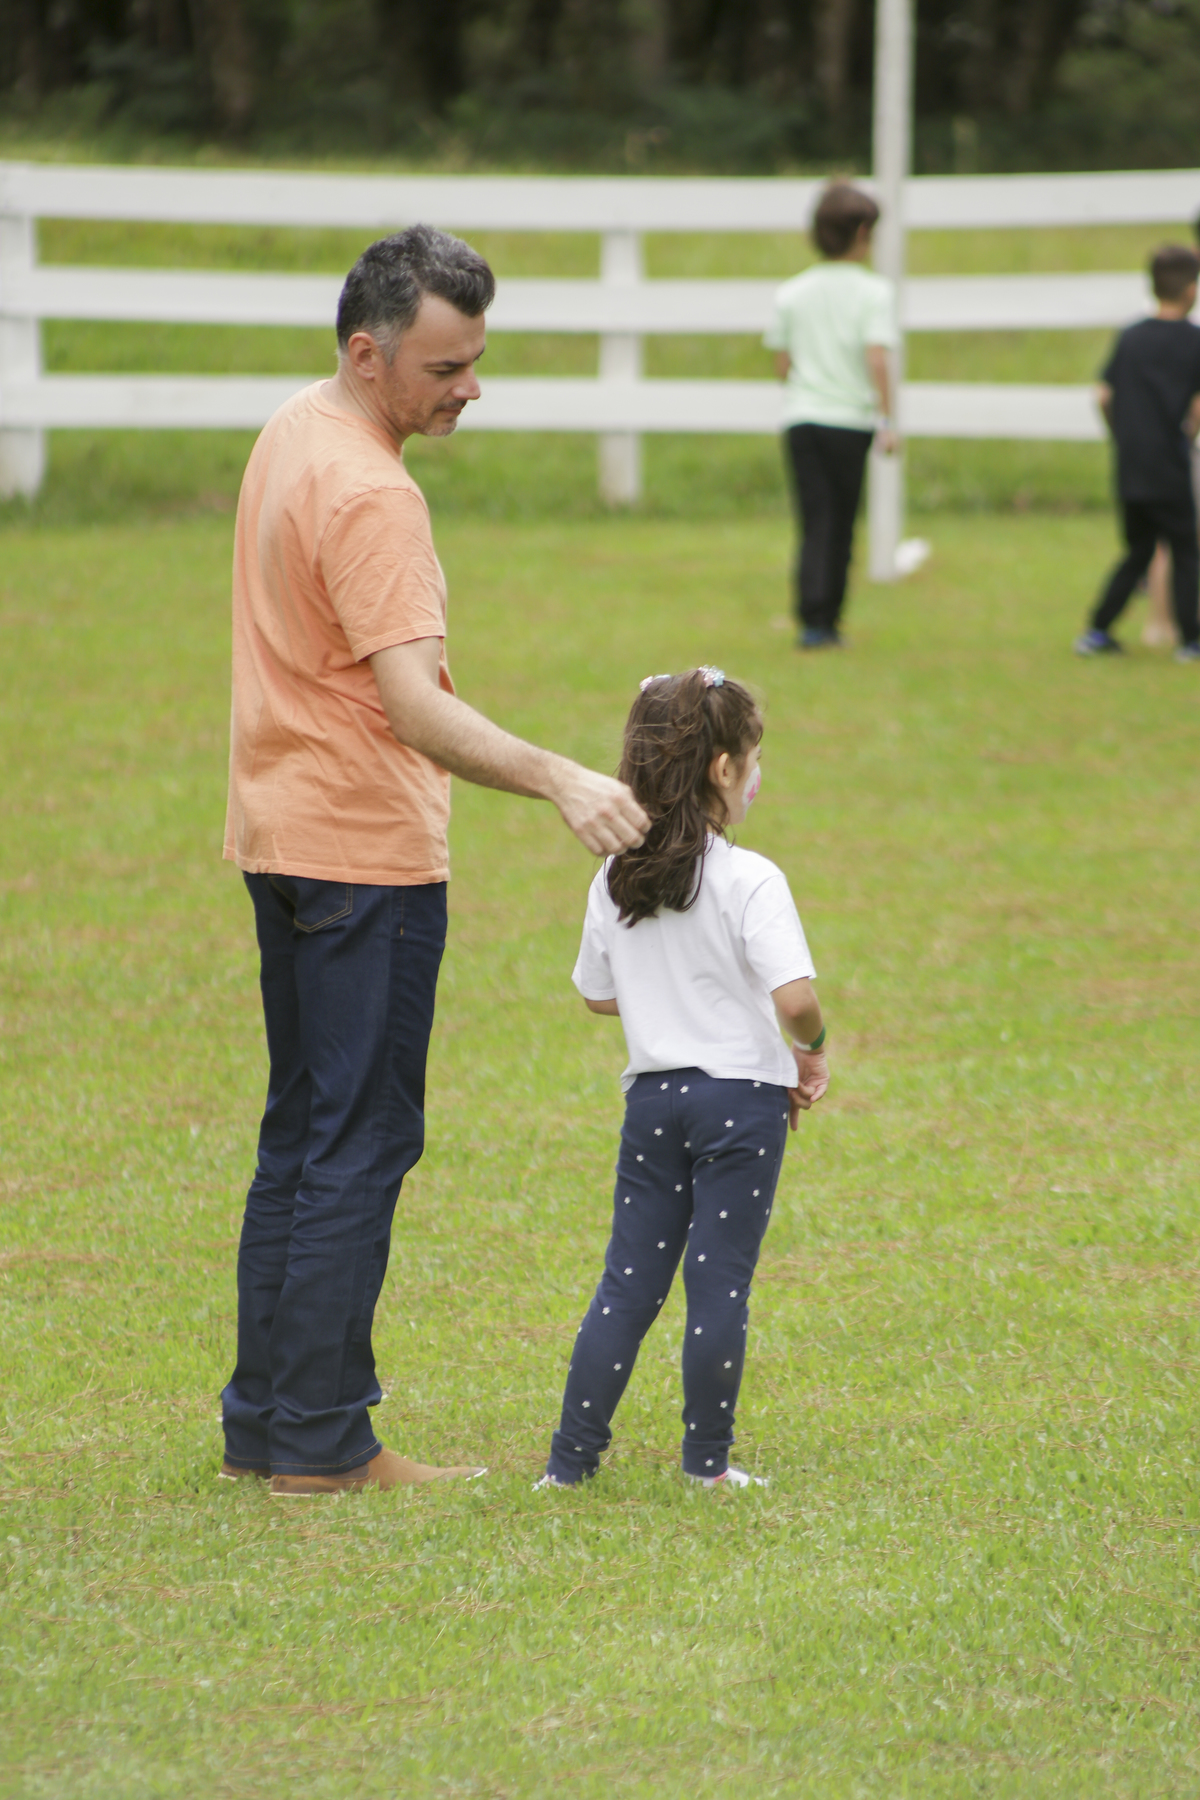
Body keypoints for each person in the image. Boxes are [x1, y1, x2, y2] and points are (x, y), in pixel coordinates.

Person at [219, 226, 649, 1499]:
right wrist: (563, 777)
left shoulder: (294, 427)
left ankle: (265, 1424)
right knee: (359, 1141)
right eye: (446, 368)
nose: (470, 390)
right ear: (369, 355)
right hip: (363, 856)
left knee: (302, 1133)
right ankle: (320, 1441)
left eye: (476, 362)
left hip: (281, 834)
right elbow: (413, 706)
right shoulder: (374, 494)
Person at [535, 668, 829, 1491]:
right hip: (741, 1105)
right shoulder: (752, 879)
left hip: (653, 1103)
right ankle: (706, 1465)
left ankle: (568, 1467)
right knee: (718, 1283)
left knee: (627, 1285)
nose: (757, 775)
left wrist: (659, 990)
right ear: (723, 769)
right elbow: (796, 999)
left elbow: (597, 995)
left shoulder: (614, 877)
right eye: (753, 760)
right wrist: (812, 1047)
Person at [764, 182, 899, 652]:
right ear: (861, 233)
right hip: (849, 421)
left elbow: (782, 364)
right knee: (841, 522)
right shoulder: (874, 292)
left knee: (813, 519)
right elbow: (877, 358)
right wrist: (887, 419)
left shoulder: (792, 292)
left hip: (802, 419)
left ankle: (810, 614)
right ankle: (829, 619)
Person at [1076, 244, 1200, 661]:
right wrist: (1190, 434)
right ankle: (1191, 640)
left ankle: (1097, 630)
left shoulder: (1130, 337)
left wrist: (1121, 435)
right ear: (1190, 289)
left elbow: (1103, 395)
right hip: (1169, 464)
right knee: (1185, 550)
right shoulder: (1193, 340)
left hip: (1131, 465)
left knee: (1138, 551)